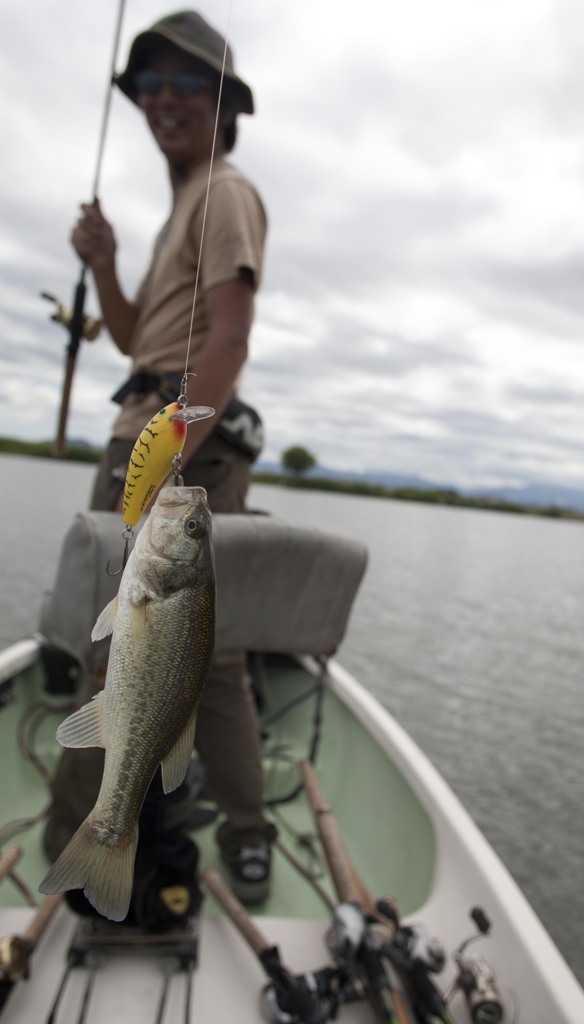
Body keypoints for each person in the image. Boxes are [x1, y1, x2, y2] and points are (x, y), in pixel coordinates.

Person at [44, 10, 275, 905]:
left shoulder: (225, 191)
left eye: (187, 84)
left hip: (180, 455)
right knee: (157, 652)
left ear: (225, 106)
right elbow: (137, 335)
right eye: (149, 85)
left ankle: (112, 842)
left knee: (185, 657)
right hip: (149, 438)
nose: (163, 100)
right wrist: (102, 263)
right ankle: (183, 826)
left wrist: (171, 460)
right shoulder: (184, 201)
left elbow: (229, 337)